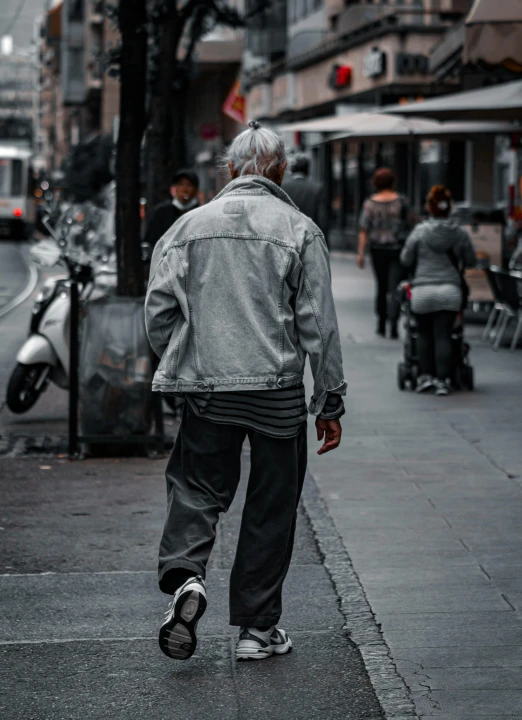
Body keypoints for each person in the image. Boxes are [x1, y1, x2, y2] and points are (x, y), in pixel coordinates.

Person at [145, 120, 346, 663]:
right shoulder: (299, 229)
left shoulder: (187, 227)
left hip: (209, 387)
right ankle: (257, 631)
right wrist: (329, 400)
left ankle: (187, 578)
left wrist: (180, 365)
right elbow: (319, 326)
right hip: (277, 391)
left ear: (230, 169)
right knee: (271, 505)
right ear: (280, 170)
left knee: (196, 486)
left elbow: (159, 312)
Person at [401, 185, 477, 396]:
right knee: (444, 335)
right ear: (449, 208)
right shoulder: (460, 232)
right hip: (450, 292)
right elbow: (471, 260)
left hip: (422, 292)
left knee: (423, 334)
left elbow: (405, 259)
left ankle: (425, 377)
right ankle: (443, 380)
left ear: (430, 207)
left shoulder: (419, 231)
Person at [357, 168, 415, 338]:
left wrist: (361, 253)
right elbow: (412, 223)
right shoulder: (402, 201)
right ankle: (394, 325)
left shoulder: (369, 203)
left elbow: (364, 229)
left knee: (381, 287)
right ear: (392, 182)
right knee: (395, 287)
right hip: (398, 249)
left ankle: (381, 323)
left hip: (377, 250)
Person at [143, 169, 200, 251]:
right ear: (175, 188)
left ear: (195, 190)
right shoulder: (161, 212)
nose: (184, 189)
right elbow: (150, 241)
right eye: (180, 184)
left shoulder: (199, 213)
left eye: (189, 185)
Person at [282, 154, 329, 241]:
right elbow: (322, 219)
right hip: (310, 240)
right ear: (308, 171)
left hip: (288, 239)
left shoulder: (283, 188)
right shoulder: (317, 189)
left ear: (291, 170)